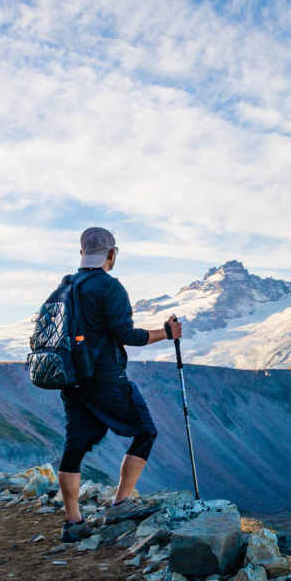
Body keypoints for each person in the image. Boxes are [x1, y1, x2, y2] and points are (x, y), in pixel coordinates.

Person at [57, 227, 181, 543]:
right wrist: (166, 333)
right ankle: (122, 503)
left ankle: (73, 521)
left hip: (72, 378)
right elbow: (126, 334)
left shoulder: (67, 285)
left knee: (76, 445)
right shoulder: (109, 288)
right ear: (112, 254)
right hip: (105, 377)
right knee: (145, 431)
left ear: (81, 253)